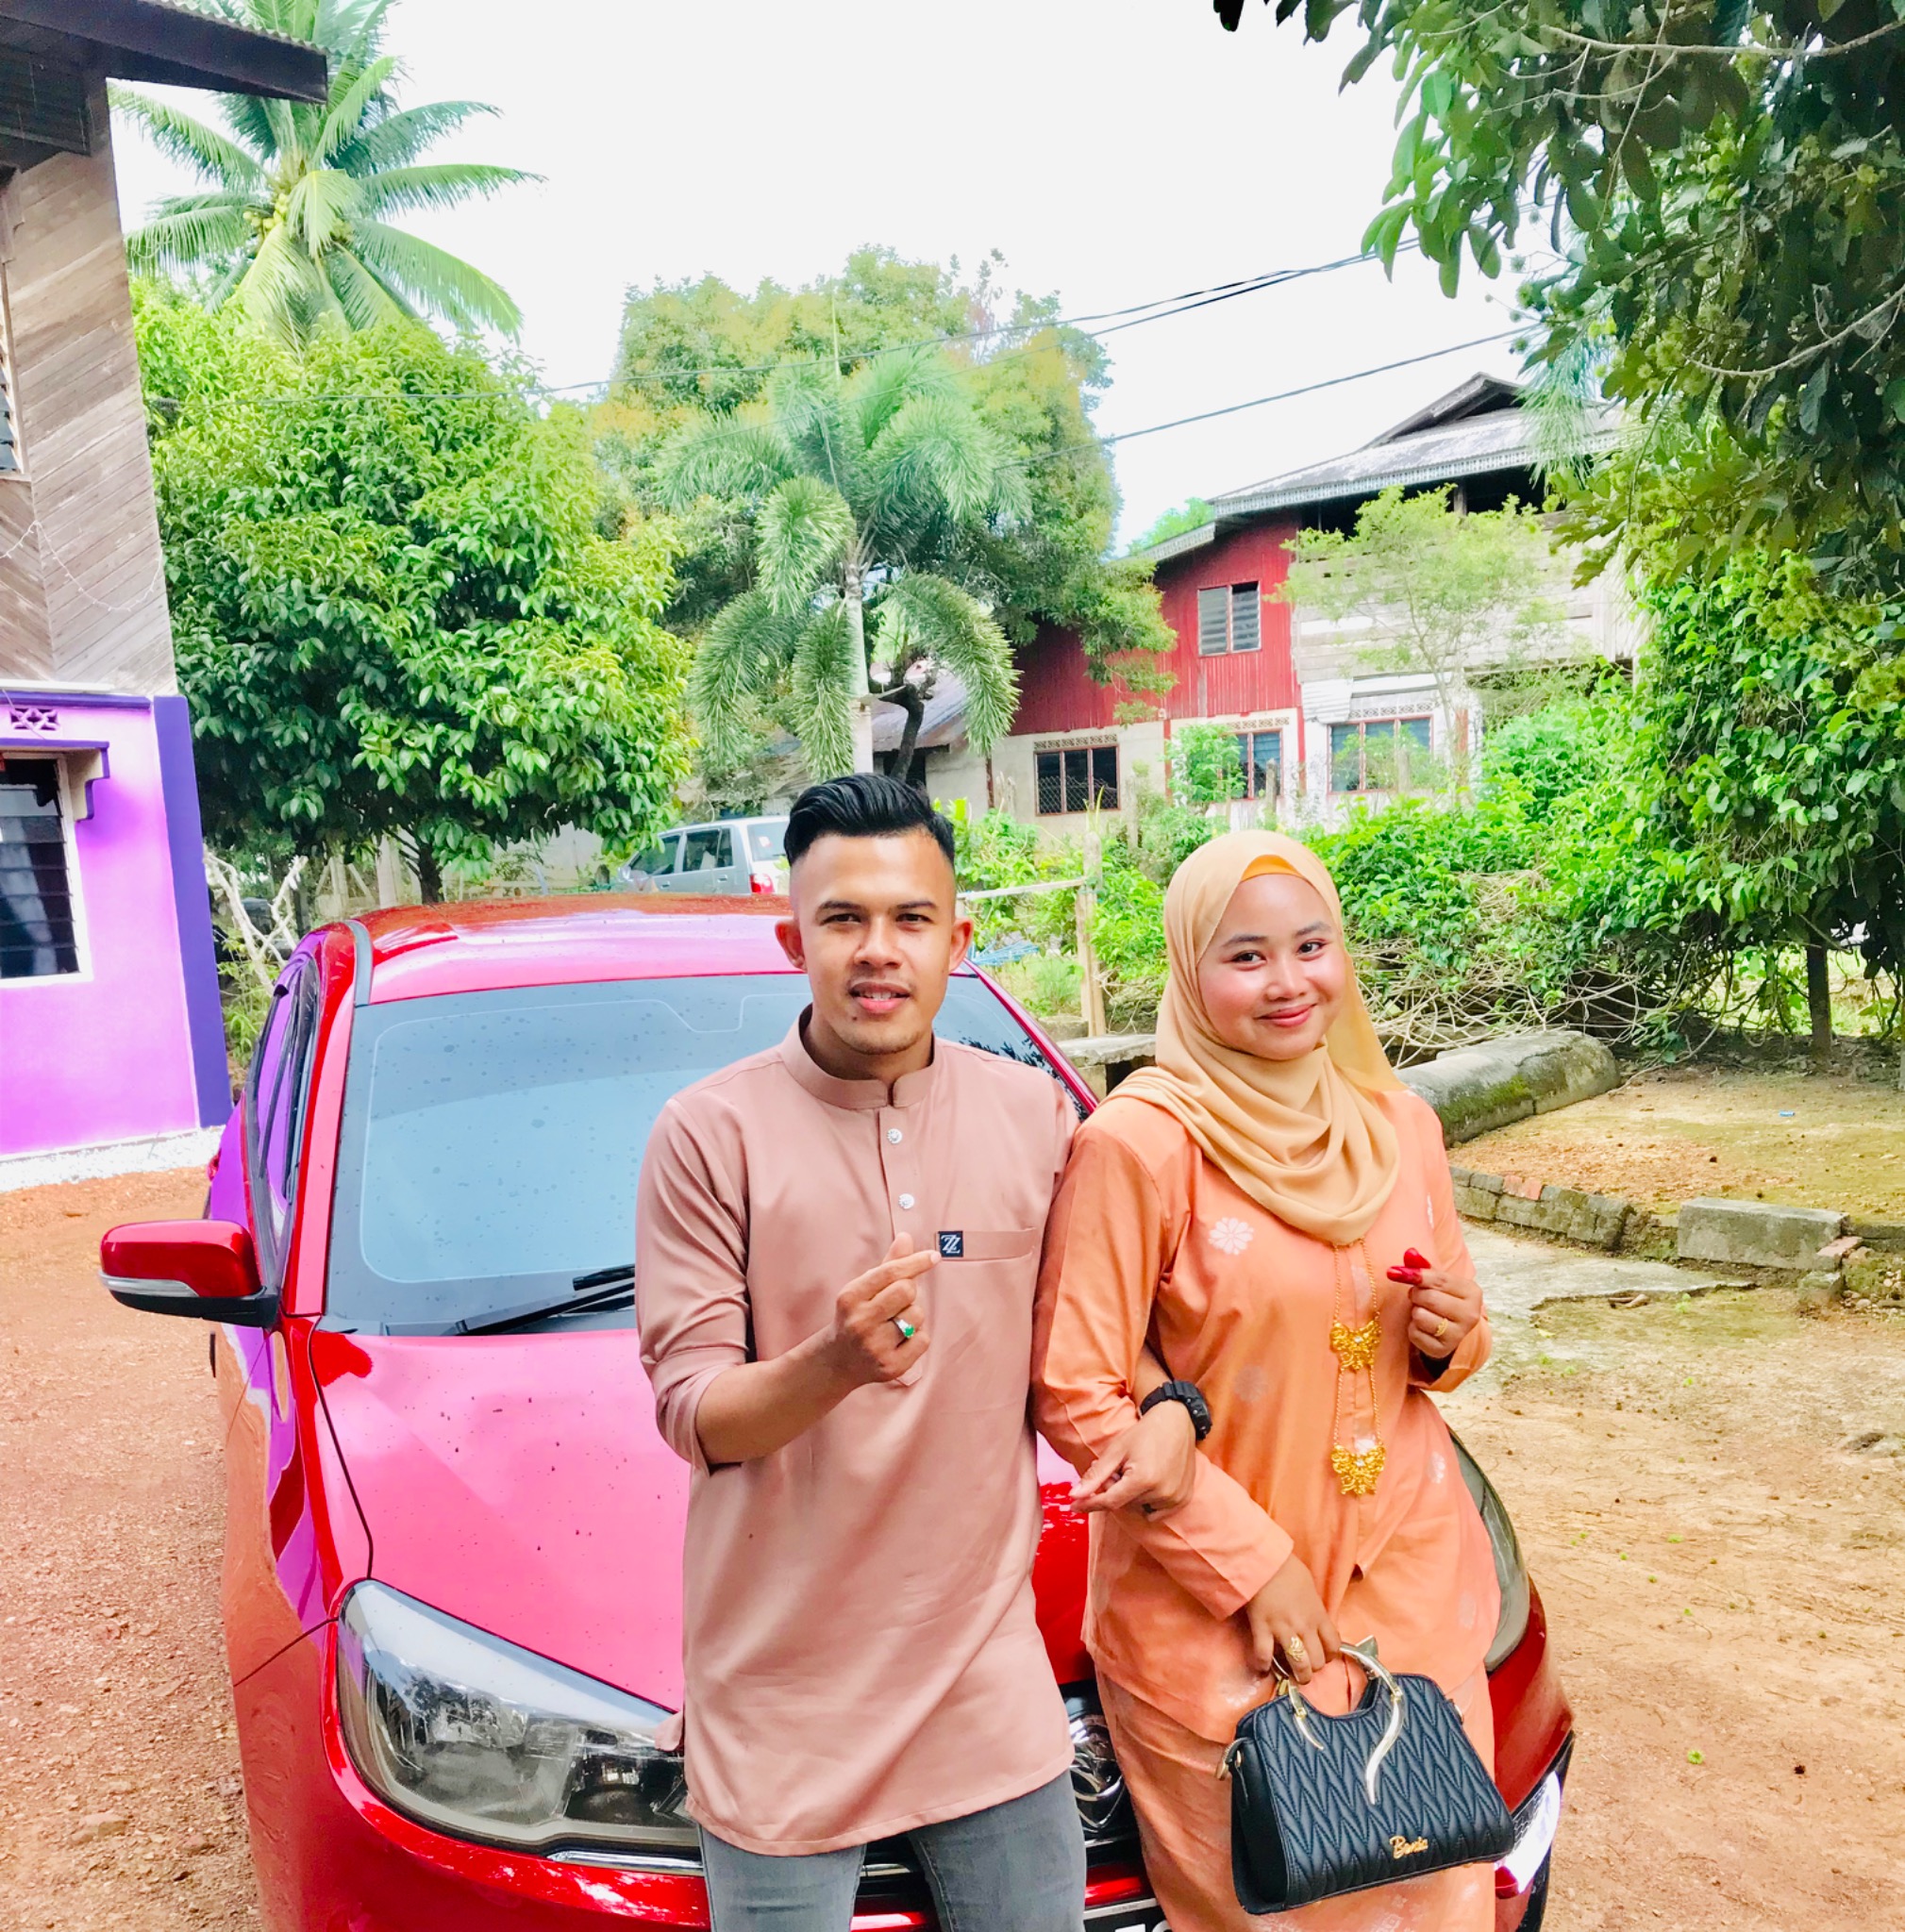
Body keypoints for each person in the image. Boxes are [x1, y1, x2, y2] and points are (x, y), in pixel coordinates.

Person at [635, 773, 1087, 1932]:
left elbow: (1105, 1348)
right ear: (794, 940)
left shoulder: (1037, 1119)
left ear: (958, 942)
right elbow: (695, 1412)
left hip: (985, 1678)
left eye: (910, 918)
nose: (877, 948)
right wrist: (831, 1362)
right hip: (782, 1696)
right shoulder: (709, 1134)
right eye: (843, 918)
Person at [1031, 829, 1499, 1932]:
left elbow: (1449, 1338)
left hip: (1410, 1600)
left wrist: (1452, 1333)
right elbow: (1078, 1387)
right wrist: (1252, 1565)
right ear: (1190, 971)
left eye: (1311, 945)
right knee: (1273, 1909)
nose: (1288, 982)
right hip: (1221, 1630)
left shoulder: (1398, 1125)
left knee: (1436, 1898)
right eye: (1246, 956)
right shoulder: (1142, 1146)